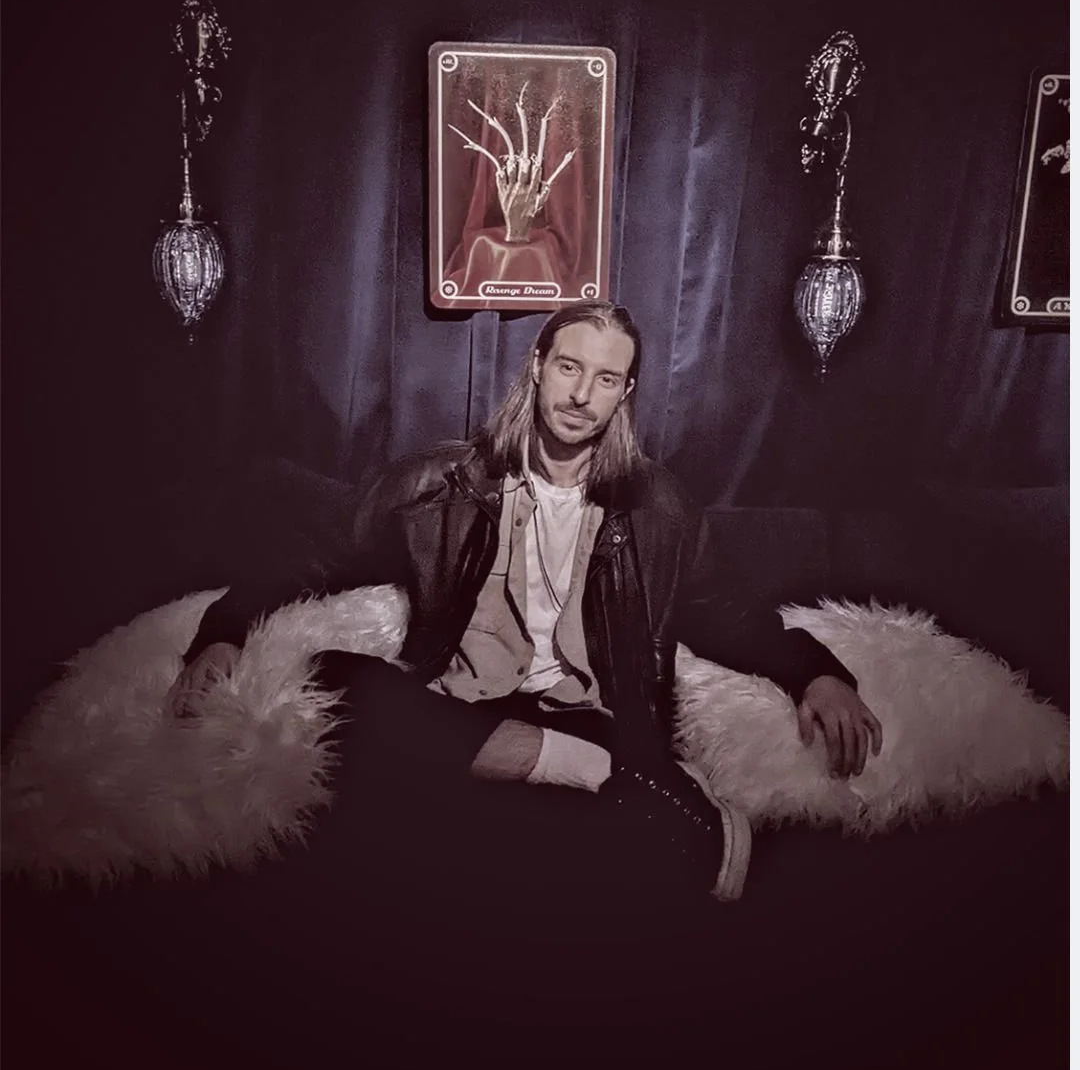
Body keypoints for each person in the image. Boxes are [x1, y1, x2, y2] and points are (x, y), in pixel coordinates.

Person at [168, 301, 881, 921]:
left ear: (625, 393)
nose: (582, 396)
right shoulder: (436, 484)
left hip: (595, 716)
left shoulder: (657, 507)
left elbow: (731, 614)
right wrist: (224, 632)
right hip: (468, 715)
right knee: (336, 679)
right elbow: (312, 560)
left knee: (471, 848)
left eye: (607, 379)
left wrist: (816, 673)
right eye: (570, 368)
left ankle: (605, 795)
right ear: (537, 366)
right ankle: (628, 796)